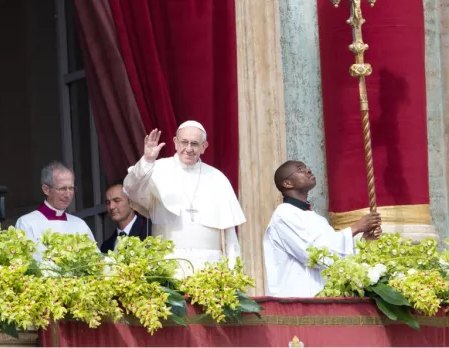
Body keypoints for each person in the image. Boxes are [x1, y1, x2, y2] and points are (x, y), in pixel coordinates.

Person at [123, 121, 246, 277]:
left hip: (211, 270)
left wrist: (234, 275)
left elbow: (230, 236)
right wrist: (147, 160)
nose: (188, 149)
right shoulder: (157, 169)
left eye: (194, 144)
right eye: (184, 142)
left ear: (204, 147)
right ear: (175, 142)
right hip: (168, 267)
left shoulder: (217, 178)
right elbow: (131, 189)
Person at [263, 160, 381, 298]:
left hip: (323, 296)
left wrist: (365, 241)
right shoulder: (283, 214)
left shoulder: (319, 219)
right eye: (300, 169)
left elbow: (335, 257)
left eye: (307, 167)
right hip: (296, 298)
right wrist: (355, 228)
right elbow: (312, 254)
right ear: (287, 183)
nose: (308, 170)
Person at [15, 161, 96, 262]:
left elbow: (95, 260)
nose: (68, 195)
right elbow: (31, 263)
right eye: (62, 189)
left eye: (71, 188)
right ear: (46, 189)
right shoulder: (27, 223)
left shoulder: (80, 224)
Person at [101, 182, 151, 253]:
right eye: (107, 203)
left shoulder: (149, 230)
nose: (111, 206)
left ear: (131, 202)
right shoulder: (106, 246)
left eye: (117, 200)